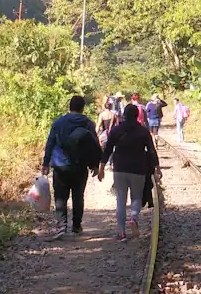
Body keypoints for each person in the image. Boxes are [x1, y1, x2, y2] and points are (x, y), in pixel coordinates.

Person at [98, 103, 161, 241]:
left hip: (120, 168)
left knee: (120, 200)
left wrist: (101, 168)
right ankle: (133, 218)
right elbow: (151, 151)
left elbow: (107, 150)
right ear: (137, 115)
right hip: (138, 169)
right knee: (136, 197)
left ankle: (121, 233)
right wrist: (157, 168)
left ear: (124, 115)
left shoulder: (116, 130)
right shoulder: (143, 131)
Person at [42, 95, 99, 239]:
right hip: (80, 166)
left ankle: (61, 225)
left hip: (60, 165)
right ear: (82, 108)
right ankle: (76, 226)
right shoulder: (88, 123)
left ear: (70, 106)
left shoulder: (59, 122)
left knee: (60, 196)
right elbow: (93, 145)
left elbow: (50, 143)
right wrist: (95, 165)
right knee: (78, 196)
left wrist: (45, 163)